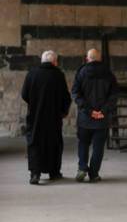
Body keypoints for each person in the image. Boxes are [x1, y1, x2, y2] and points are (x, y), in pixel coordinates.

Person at [21, 50, 71, 185]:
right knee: (53, 143)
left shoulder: (32, 74)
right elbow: (66, 97)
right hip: (53, 117)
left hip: (35, 116)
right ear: (54, 61)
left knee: (35, 143)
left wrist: (34, 103)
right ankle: (54, 172)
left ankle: (35, 173)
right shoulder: (58, 75)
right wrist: (63, 111)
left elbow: (24, 94)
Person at [71, 49, 118, 183]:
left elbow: (75, 94)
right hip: (101, 119)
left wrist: (89, 111)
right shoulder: (108, 73)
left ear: (87, 58)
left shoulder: (81, 72)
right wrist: (102, 111)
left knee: (83, 143)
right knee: (98, 147)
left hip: (85, 118)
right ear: (100, 59)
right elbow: (114, 95)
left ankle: (82, 168)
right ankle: (93, 174)